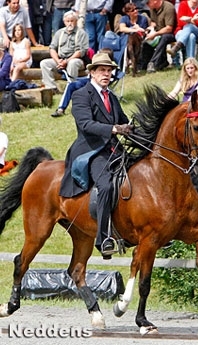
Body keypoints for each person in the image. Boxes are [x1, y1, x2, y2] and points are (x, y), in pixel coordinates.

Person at [59, 52, 132, 259]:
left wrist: (135, 130)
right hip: (90, 151)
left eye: (109, 71)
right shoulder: (81, 95)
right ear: (92, 73)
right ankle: (103, 238)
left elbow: (124, 122)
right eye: (102, 70)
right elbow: (85, 124)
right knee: (107, 185)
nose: (107, 74)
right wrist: (115, 129)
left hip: (114, 150)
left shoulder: (112, 98)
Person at [50, 47, 115, 117]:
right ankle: (61, 108)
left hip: (96, 83)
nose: (107, 72)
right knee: (71, 85)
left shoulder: (111, 67)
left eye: (108, 71)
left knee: (73, 85)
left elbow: (110, 78)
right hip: (90, 80)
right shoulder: (97, 67)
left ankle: (61, 109)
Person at [40, 10, 89, 92]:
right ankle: (51, 88)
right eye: (68, 21)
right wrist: (58, 61)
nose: (70, 23)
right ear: (64, 22)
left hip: (77, 60)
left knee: (73, 63)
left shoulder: (81, 33)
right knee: (44, 63)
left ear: (76, 21)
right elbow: (52, 48)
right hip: (60, 59)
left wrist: (67, 61)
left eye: (72, 21)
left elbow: (80, 52)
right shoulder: (59, 33)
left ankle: (71, 87)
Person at [140, 0, 176, 73]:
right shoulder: (152, 8)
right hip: (158, 31)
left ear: (155, 1)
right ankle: (144, 64)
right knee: (146, 39)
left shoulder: (168, 8)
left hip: (171, 33)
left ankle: (153, 63)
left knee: (164, 37)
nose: (147, 5)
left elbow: (169, 28)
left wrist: (155, 34)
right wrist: (150, 29)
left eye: (148, 2)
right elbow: (153, 21)